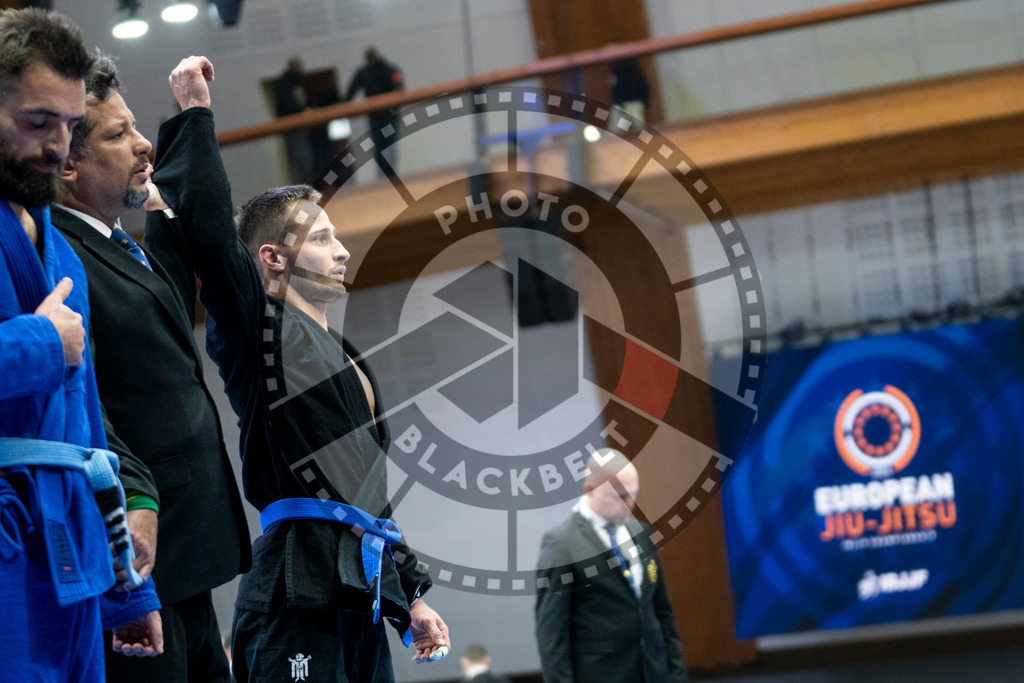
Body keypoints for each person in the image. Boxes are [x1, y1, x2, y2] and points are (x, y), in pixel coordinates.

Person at [143, 56, 450, 681]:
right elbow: (208, 229)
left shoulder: (342, 356)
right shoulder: (259, 331)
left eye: (338, 236)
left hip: (357, 594)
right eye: (319, 238)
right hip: (292, 590)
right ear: (272, 258)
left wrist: (411, 593)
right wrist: (195, 113)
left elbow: (364, 493)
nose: (340, 250)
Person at [53, 52, 252, 682]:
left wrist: (192, 118)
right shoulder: (57, 256)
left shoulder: (116, 241)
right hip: (139, 552)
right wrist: (131, 506)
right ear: (65, 165)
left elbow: (201, 236)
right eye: (118, 135)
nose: (142, 146)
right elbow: (81, 407)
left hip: (187, 551)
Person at [0, 7, 162, 682]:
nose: (58, 147)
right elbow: (53, 351)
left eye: (68, 127)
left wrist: (129, 586)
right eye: (38, 123)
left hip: (72, 552)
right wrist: (41, 340)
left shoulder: (59, 245)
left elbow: (90, 426)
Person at [535, 448, 688, 682]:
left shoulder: (640, 532)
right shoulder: (561, 544)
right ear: (589, 490)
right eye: (620, 496)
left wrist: (677, 675)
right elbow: (552, 636)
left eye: (633, 494)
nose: (630, 504)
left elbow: (662, 613)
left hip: (654, 673)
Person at [344, 46, 404, 177]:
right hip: (377, 116)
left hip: (388, 116)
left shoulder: (388, 70)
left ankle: (390, 176)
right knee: (380, 148)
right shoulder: (366, 72)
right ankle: (385, 176)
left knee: (388, 146)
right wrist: (343, 105)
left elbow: (399, 88)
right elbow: (351, 91)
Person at [273, 57, 315, 184]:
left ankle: (306, 187)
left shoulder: (298, 82)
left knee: (306, 158)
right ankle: (303, 189)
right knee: (302, 158)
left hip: (300, 127)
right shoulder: (286, 83)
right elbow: (287, 105)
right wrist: (301, 111)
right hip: (292, 127)